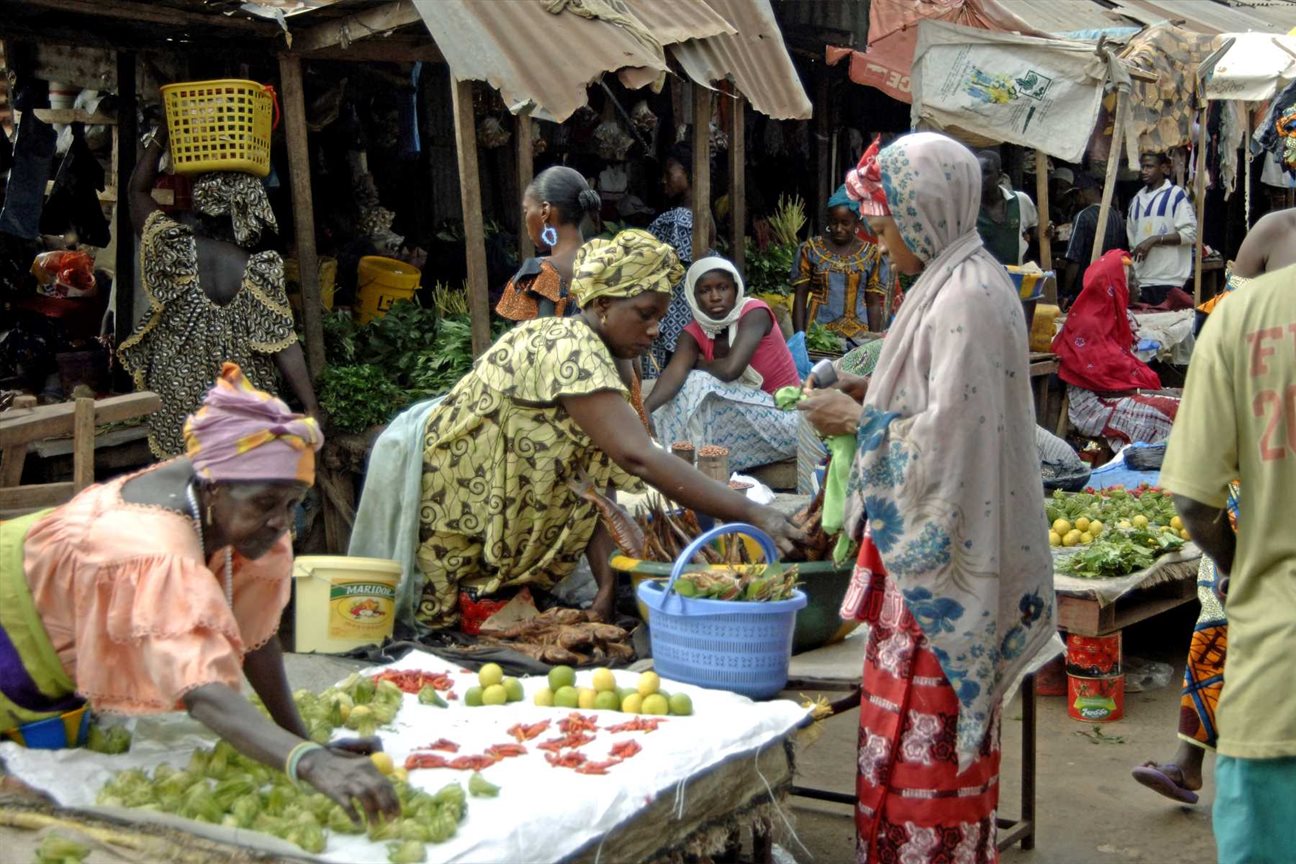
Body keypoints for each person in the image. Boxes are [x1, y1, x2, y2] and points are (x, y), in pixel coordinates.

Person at [799, 133, 1054, 862]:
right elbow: (932, 407)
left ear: (926, 215)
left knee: (928, 758)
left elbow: (954, 447)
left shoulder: (967, 297)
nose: (879, 247)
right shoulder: (948, 281)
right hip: (916, 567)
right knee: (902, 748)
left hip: (943, 578)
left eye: (883, 230)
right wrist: (866, 392)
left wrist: (856, 422)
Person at [0, 364, 397, 824]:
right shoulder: (152, 548)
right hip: (13, 621)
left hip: (56, 622)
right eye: (269, 504)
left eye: (293, 504)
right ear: (212, 488)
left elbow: (256, 632)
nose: (281, 522)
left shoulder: (246, 509)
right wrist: (307, 761)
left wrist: (300, 738)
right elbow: (202, 692)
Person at [413, 230, 802, 631]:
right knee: (448, 634)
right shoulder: (570, 348)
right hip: (454, 514)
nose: (654, 331)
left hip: (493, 525)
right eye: (645, 314)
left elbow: (595, 483)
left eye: (661, 319)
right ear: (602, 304)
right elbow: (639, 457)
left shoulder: (602, 354)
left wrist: (606, 588)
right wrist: (753, 512)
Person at [1132, 207, 1296, 807]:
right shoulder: (1273, 235)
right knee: (1220, 611)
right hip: (1258, 470)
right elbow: (1218, 338)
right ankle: (1189, 761)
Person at [119, 123, 318, 459]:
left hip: (180, 405)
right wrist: (311, 407)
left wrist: (163, 134)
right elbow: (284, 347)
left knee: (186, 490)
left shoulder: (173, 248)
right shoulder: (259, 270)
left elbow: (136, 193)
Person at [643, 256, 801, 473]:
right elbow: (674, 374)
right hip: (745, 423)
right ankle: (674, 465)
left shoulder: (754, 313)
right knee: (676, 395)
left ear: (736, 289)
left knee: (697, 382)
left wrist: (697, 364)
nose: (715, 297)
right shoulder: (694, 332)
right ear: (693, 296)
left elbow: (729, 370)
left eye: (723, 288)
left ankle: (691, 472)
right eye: (705, 291)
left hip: (787, 418)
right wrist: (645, 410)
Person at [1053, 251, 1178, 449]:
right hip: (1095, 405)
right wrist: (1138, 384)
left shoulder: (1119, 314)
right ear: (1113, 284)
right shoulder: (1088, 323)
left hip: (1118, 393)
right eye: (1128, 281)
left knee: (1184, 403)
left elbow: (1122, 357)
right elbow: (1100, 376)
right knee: (1171, 412)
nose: (1133, 286)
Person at [495, 165, 601, 321]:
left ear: (545, 211)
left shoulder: (541, 274)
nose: (525, 220)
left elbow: (530, 341)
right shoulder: (609, 261)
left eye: (526, 211)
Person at [645, 144, 714, 376]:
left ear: (690, 173)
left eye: (669, 173)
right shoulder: (703, 215)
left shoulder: (680, 220)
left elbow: (677, 274)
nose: (664, 181)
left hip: (673, 315)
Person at [790, 184, 890, 339]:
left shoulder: (871, 254)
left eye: (845, 223)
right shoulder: (811, 249)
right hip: (818, 335)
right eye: (834, 222)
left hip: (859, 337)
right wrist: (799, 337)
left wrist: (874, 340)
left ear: (856, 222)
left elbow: (873, 302)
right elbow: (801, 295)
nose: (838, 228)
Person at [1126, 152, 1197, 306]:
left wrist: (1154, 240)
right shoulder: (1136, 200)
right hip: (1142, 281)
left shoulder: (1175, 195)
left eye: (1149, 166)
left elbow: (1190, 234)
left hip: (1168, 280)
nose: (1144, 171)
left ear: (1164, 169)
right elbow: (1133, 243)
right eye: (1143, 167)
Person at [1058, 172, 1127, 307]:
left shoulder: (1082, 217)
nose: (1076, 200)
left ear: (1081, 193)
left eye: (1075, 195)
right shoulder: (1117, 218)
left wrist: (1065, 293)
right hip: (1110, 289)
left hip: (1085, 290)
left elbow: (1074, 260)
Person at [975, 148, 1038, 266]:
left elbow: (1035, 231)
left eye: (986, 172)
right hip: (981, 279)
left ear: (1000, 175)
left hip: (1014, 279)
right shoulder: (970, 208)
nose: (981, 178)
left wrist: (1048, 231)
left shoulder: (1020, 201)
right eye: (977, 172)